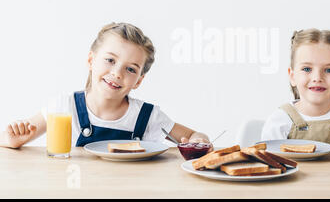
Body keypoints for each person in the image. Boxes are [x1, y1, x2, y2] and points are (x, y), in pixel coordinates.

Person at [0, 22, 210, 149]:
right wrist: (12, 138)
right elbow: (7, 139)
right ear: (91, 60)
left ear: (138, 80)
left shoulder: (147, 116)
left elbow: (193, 136)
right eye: (110, 60)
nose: (116, 73)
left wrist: (199, 141)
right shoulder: (64, 107)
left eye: (130, 69)